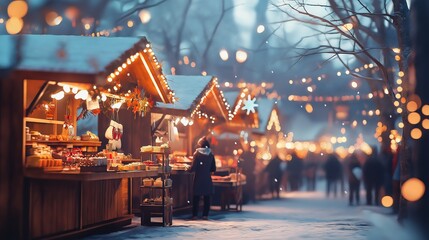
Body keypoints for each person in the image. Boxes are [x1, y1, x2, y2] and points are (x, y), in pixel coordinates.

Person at [189, 136, 216, 220]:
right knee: (207, 197)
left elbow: (193, 167)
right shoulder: (211, 154)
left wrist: (188, 169)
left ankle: (195, 215)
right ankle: (205, 215)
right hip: (207, 178)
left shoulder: (197, 154)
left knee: (196, 197)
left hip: (198, 177)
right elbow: (213, 168)